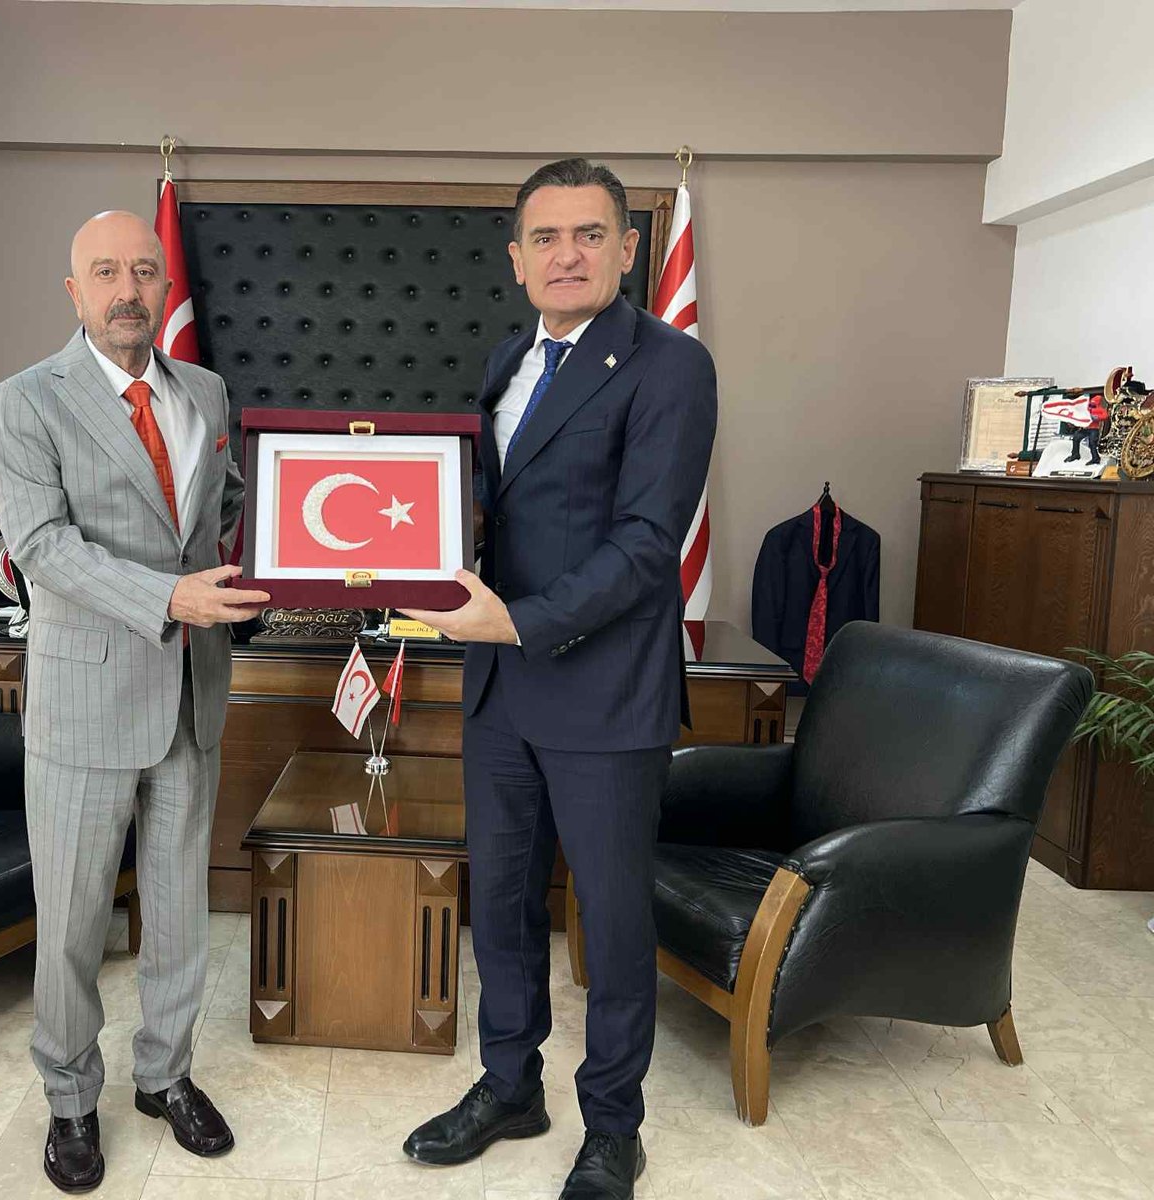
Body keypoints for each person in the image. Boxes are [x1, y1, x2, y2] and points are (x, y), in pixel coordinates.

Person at [400, 159, 718, 1200]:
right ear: (516, 259)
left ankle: (614, 1127)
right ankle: (509, 1086)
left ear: (627, 249)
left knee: (613, 926)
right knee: (499, 906)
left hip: (603, 694)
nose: (566, 255)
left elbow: (646, 545)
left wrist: (518, 622)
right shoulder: (508, 359)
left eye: (588, 234)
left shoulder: (670, 365)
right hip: (500, 691)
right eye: (545, 237)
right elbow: (495, 512)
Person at [0, 211, 269, 1194]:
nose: (128, 289)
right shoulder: (25, 401)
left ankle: (165, 1076)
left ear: (165, 287)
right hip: (86, 700)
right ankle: (70, 1098)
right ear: (75, 291)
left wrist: (279, 544)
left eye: (144, 271)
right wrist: (172, 598)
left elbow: (227, 504)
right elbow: (43, 547)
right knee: (71, 924)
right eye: (105, 272)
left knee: (180, 909)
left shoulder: (206, 391)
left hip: (190, 693)